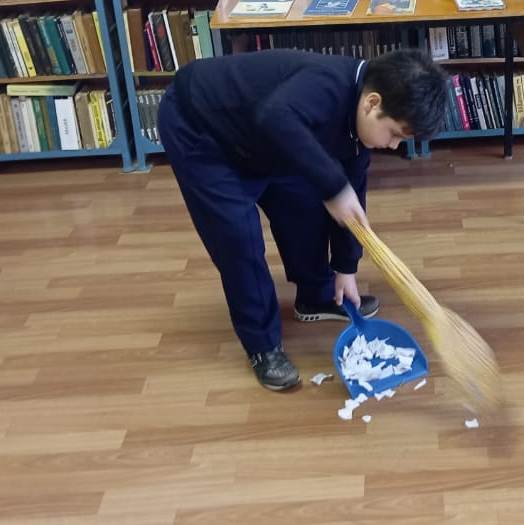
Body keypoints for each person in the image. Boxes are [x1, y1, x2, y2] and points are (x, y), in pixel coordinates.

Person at [157, 49, 448, 391]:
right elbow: (275, 117)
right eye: (394, 134)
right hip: (203, 130)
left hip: (265, 136)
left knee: (303, 207)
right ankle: (263, 346)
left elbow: (351, 199)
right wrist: (334, 187)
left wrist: (346, 267)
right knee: (239, 241)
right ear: (372, 103)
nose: (394, 145)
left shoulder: (358, 125)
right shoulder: (326, 85)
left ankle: (316, 294)